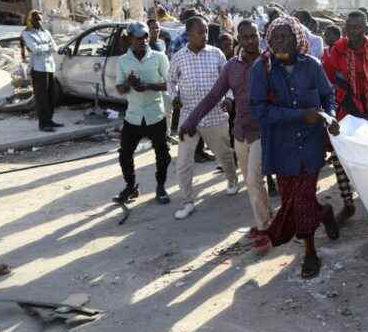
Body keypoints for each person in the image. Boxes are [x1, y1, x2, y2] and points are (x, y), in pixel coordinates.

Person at [249, 16, 339, 278]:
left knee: (301, 200)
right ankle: (324, 213)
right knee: (296, 199)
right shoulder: (261, 69)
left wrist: (330, 115)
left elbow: (327, 95)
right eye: (275, 38)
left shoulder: (311, 65)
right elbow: (259, 110)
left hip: (310, 144)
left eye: (286, 37)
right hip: (281, 147)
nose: (281, 42)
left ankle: (310, 252)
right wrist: (300, 116)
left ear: (297, 38)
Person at [180, 19, 271, 234]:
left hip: (263, 131)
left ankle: (265, 228)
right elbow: (213, 96)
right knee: (253, 183)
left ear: (260, 36)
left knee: (253, 179)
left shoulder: (270, 62)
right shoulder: (232, 66)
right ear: (239, 39)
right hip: (240, 132)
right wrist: (191, 120)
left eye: (254, 36)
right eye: (245, 37)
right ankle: (267, 216)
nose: (250, 41)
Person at [324, 10, 368, 225]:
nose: (353, 31)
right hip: (345, 114)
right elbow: (332, 81)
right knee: (339, 159)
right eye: (350, 27)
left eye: (358, 27)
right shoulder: (338, 50)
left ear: (365, 29)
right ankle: (348, 204)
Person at [170, 16, 239, 219]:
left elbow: (229, 81)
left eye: (206, 31)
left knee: (224, 154)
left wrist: (228, 98)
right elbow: (170, 80)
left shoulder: (216, 54)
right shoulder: (178, 57)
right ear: (189, 34)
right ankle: (187, 201)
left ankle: (232, 180)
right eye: (200, 32)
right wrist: (174, 97)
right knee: (183, 162)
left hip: (215, 116)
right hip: (188, 118)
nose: (205, 35)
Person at [114, 22, 172, 204]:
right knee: (124, 154)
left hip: (156, 115)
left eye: (146, 37)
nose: (144, 40)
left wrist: (148, 86)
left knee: (162, 154)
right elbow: (119, 89)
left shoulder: (159, 57)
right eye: (139, 38)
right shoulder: (123, 61)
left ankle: (161, 187)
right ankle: (130, 187)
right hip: (133, 116)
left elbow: (170, 84)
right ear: (130, 39)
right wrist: (129, 84)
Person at [22, 10, 62, 132]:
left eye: (40, 19)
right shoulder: (26, 33)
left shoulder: (46, 32)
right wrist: (46, 47)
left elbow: (55, 47)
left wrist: (44, 47)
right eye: (36, 19)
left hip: (50, 67)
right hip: (38, 68)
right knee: (41, 97)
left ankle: (50, 120)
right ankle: (43, 123)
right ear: (30, 20)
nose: (39, 22)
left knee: (51, 95)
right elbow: (34, 49)